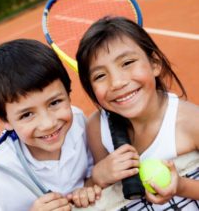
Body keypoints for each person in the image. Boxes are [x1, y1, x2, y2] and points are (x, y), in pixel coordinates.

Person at [0, 39, 101, 211]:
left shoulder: (78, 121)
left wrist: (89, 185)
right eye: (27, 114)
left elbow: (91, 174)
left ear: (68, 93)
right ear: (4, 120)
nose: (48, 123)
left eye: (54, 103)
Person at [76, 16, 199, 210]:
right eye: (100, 75)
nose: (117, 82)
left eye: (127, 63)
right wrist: (97, 178)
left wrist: (182, 186)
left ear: (155, 64)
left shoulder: (191, 122)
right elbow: (97, 193)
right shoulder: (97, 128)